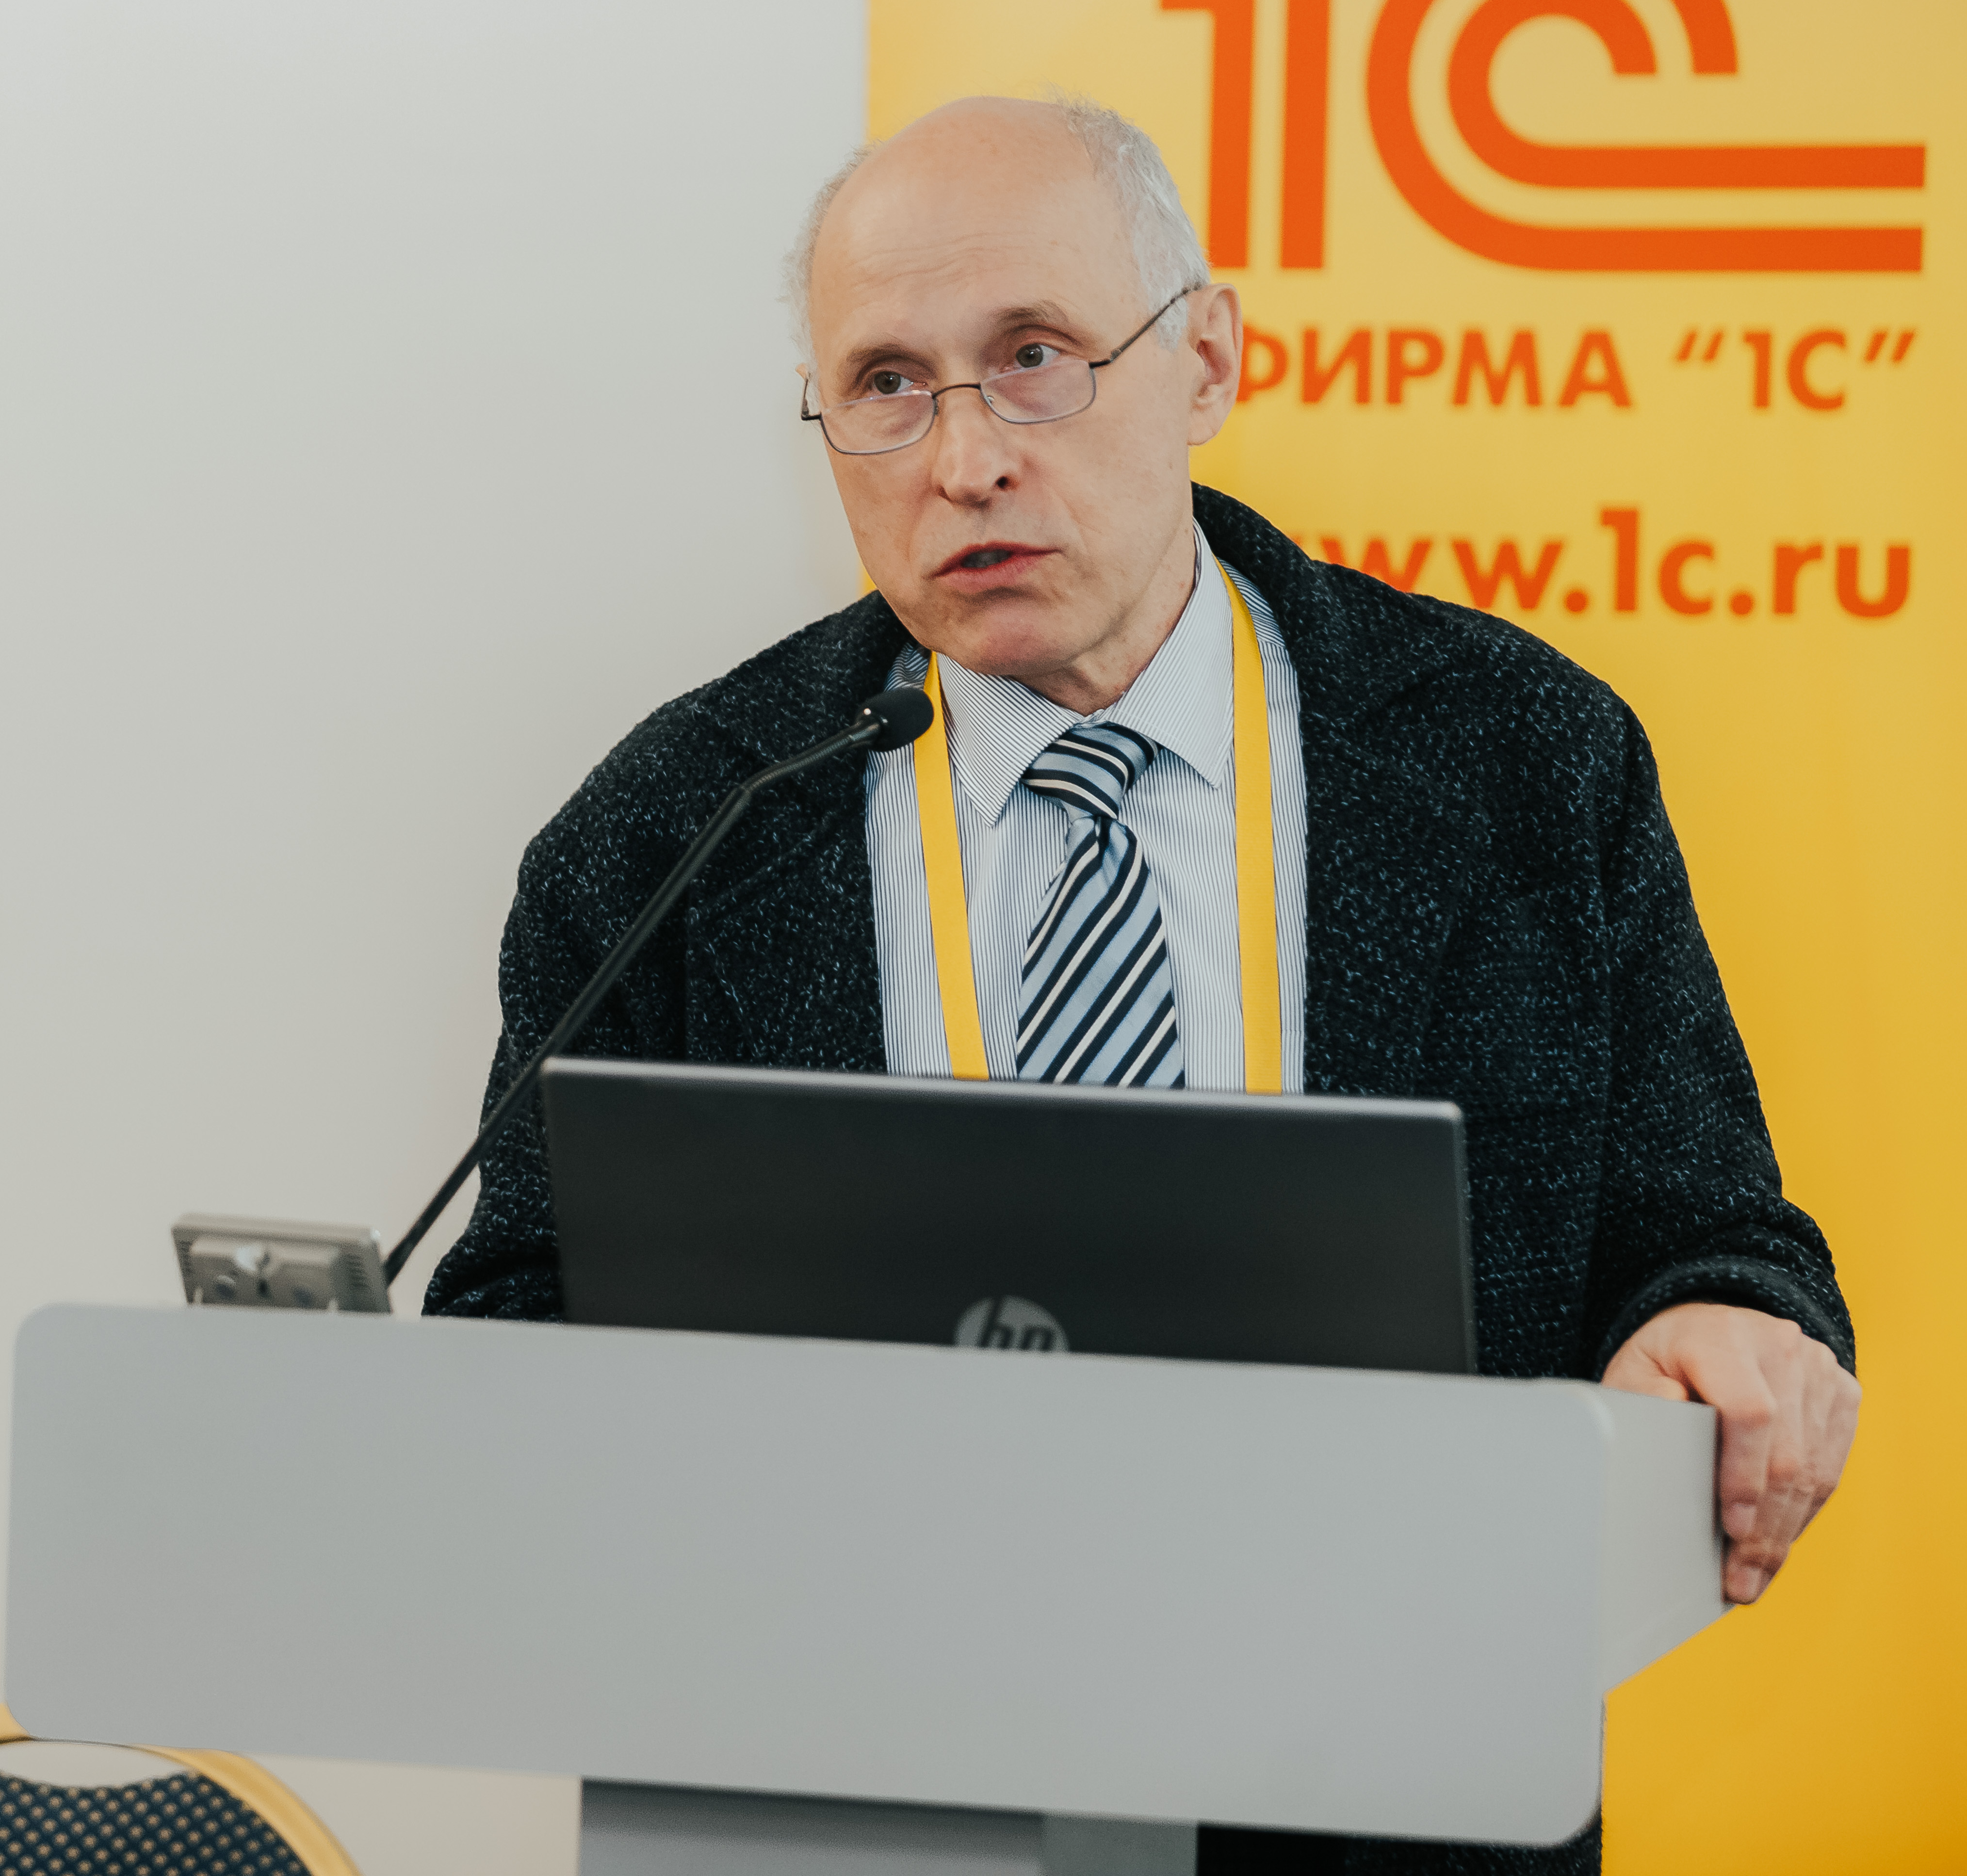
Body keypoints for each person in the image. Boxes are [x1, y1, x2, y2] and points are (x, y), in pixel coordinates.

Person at [423, 95, 1857, 1874]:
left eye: (1033, 358)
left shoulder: (1522, 763)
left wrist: (1722, 1325)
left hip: (1387, 1790)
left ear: (1208, 361)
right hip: (844, 1800)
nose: (963, 459)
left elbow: (1708, 1237)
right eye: (886, 385)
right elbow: (512, 1326)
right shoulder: (674, 831)